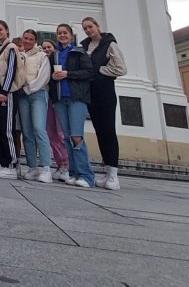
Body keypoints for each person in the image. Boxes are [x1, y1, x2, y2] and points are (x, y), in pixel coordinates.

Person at [81, 16, 127, 190]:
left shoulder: (109, 44)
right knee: (100, 131)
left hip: (106, 90)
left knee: (109, 130)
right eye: (85, 28)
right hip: (91, 91)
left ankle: (114, 175)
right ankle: (107, 172)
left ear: (97, 26)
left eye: (90, 27)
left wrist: (99, 69)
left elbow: (121, 68)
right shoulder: (85, 45)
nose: (88, 30)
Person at [50, 23, 95, 188]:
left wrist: (68, 74)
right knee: (68, 137)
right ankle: (74, 173)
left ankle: (87, 175)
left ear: (71, 35)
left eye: (65, 33)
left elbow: (89, 72)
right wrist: (54, 78)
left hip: (76, 98)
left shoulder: (78, 52)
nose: (62, 35)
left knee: (77, 136)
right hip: (61, 99)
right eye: (59, 33)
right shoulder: (55, 54)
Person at [0, 19, 21, 178]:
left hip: (5, 93)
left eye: (0, 29)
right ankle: (5, 163)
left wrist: (5, 91)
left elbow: (11, 70)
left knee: (6, 129)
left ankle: (12, 165)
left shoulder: (11, 47)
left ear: (7, 30)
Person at [17, 29, 52, 183]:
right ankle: (32, 166)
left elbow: (44, 76)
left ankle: (45, 167)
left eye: (31, 39)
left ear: (35, 40)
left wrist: (28, 88)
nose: (28, 41)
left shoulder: (42, 56)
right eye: (25, 38)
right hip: (22, 96)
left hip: (37, 94)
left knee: (39, 129)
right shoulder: (20, 55)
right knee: (27, 132)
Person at [41, 40, 70, 180]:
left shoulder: (57, 62)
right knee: (51, 133)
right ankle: (60, 165)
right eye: (44, 47)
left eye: (49, 47)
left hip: (56, 99)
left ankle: (66, 165)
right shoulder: (42, 62)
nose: (47, 49)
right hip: (46, 101)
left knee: (60, 133)